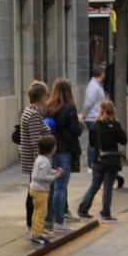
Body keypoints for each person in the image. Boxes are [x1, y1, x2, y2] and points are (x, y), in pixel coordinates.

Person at [78, 100, 127, 223]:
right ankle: (105, 213)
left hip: (98, 159)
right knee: (108, 187)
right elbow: (123, 140)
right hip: (111, 160)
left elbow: (92, 143)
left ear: (101, 110)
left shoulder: (95, 126)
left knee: (95, 185)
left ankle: (83, 208)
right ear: (113, 111)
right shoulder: (115, 125)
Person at [44, 78, 82, 233]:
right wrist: (80, 122)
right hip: (65, 150)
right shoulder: (69, 108)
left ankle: (50, 217)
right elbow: (76, 131)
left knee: (52, 186)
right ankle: (59, 220)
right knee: (61, 186)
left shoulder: (49, 107)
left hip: (51, 149)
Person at [20, 81, 50, 238]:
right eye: (46, 95)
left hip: (34, 161)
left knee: (33, 193)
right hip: (34, 162)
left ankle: (36, 225)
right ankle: (33, 226)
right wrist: (41, 163)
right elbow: (35, 142)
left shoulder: (33, 112)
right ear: (42, 97)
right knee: (34, 194)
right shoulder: (33, 115)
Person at [29, 136, 63, 246]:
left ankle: (35, 232)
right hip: (40, 190)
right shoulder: (45, 161)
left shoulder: (40, 159)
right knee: (41, 213)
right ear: (51, 149)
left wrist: (54, 171)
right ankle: (37, 235)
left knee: (36, 212)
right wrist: (55, 176)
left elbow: (45, 171)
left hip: (34, 188)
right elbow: (40, 177)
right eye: (55, 146)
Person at [81, 66, 106, 171]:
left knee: (95, 141)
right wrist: (84, 114)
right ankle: (91, 164)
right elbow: (89, 102)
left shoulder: (95, 86)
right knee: (93, 142)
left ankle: (93, 162)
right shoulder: (94, 87)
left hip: (95, 117)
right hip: (93, 118)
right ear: (101, 74)